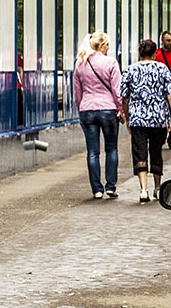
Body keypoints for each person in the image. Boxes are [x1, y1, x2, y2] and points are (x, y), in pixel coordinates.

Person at [119, 38, 171, 203]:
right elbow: (169, 95)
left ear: (140, 53)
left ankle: (143, 189)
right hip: (158, 118)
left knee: (139, 151)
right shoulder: (162, 69)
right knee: (156, 151)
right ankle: (158, 187)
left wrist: (127, 117)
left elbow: (125, 97)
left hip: (138, 118)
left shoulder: (130, 70)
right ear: (155, 53)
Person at [73, 32, 122, 199]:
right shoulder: (111, 62)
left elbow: (77, 92)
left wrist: (81, 108)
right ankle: (110, 186)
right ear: (101, 46)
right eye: (107, 45)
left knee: (92, 152)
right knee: (111, 149)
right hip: (108, 109)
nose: (108, 48)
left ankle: (97, 190)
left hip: (87, 109)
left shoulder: (80, 63)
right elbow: (117, 91)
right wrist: (122, 110)